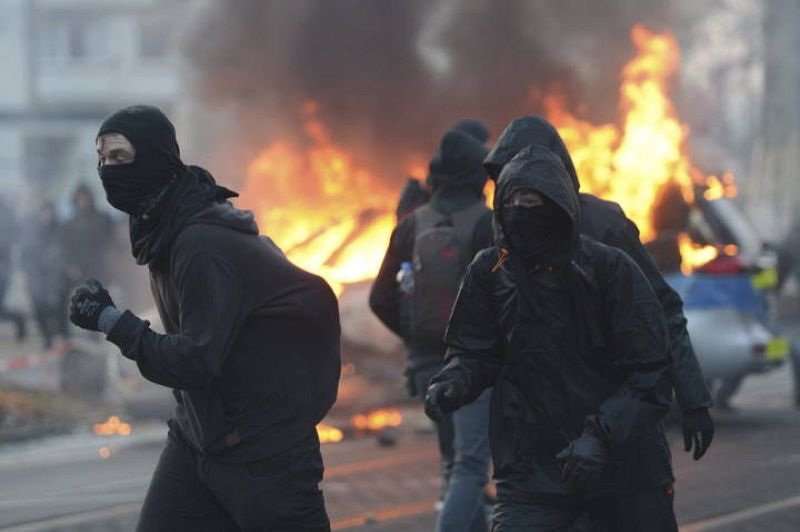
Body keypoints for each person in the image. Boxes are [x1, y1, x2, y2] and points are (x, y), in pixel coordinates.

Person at [68, 105, 340, 532]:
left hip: (264, 452)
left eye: (120, 156)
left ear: (156, 157)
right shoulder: (162, 229)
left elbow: (195, 360)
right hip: (199, 439)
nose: (107, 169)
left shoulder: (200, 241)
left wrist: (110, 321)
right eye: (102, 158)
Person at [426, 145, 677, 531]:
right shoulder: (491, 270)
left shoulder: (609, 269)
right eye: (514, 201)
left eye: (534, 202)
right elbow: (473, 348)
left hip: (622, 474)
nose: (523, 211)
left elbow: (651, 371)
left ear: (560, 207)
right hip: (532, 472)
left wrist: (602, 436)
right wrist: (454, 381)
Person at [483, 115, 714, 460]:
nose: (518, 198)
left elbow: (661, 307)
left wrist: (693, 398)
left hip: (615, 408)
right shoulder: (501, 229)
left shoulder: (604, 223)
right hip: (538, 427)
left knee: (633, 511)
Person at [370, 127, 493, 532]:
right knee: (472, 466)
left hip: (425, 365)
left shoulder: (412, 224)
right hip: (474, 366)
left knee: (454, 463)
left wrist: (414, 335)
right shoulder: (487, 224)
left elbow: (379, 298)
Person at [22, 201, 69, 349]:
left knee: (59, 310)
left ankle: (65, 340)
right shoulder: (33, 232)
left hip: (57, 278)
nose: (47, 215)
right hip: (38, 278)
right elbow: (27, 254)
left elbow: (65, 251)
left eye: (49, 212)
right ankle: (47, 339)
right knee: (39, 310)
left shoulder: (61, 230)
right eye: (44, 212)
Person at [0, 196, 26, 342]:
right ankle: (19, 320)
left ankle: (19, 319)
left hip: (2, 267)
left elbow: (14, 238)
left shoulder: (6, 216)